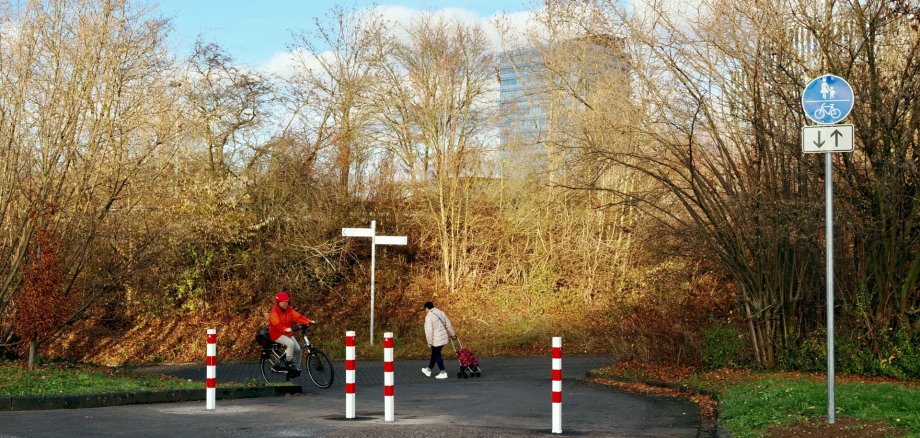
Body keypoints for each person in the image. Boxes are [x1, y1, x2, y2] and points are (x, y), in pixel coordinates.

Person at [268, 291, 313, 373]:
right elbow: (276, 324)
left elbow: (298, 317)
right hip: (276, 334)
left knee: (298, 349)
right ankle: (289, 363)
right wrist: (285, 329)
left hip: (287, 333)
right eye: (283, 302)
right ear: (278, 303)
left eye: (287, 302)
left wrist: (308, 321)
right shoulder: (274, 312)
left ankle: (293, 366)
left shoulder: (289, 310)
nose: (285, 304)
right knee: (290, 344)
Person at [421, 301, 455, 379]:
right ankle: (428, 369)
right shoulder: (440, 312)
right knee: (435, 353)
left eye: (425, 309)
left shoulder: (429, 316)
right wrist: (453, 334)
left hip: (436, 340)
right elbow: (448, 324)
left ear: (427, 308)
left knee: (437, 354)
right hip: (443, 338)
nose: (425, 311)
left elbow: (429, 331)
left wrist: (429, 342)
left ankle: (443, 372)